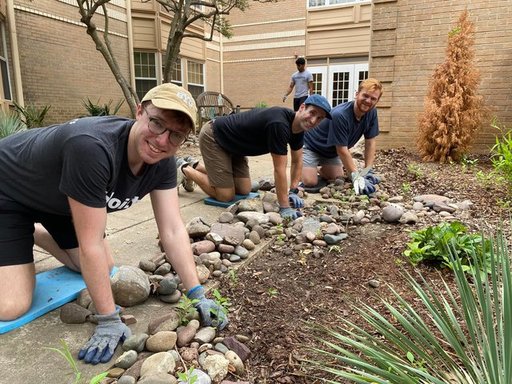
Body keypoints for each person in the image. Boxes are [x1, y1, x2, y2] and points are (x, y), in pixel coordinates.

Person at [0, 83, 227, 365]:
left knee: (102, 268)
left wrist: (197, 294)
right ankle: (17, 230)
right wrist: (108, 318)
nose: (162, 140)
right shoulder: (92, 147)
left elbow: (171, 229)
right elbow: (90, 242)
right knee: (11, 305)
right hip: (8, 192)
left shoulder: (163, 163)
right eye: (157, 124)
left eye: (176, 135)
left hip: (58, 201)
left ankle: (31, 232)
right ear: (139, 111)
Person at [178, 94, 332, 220]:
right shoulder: (279, 124)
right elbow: (279, 170)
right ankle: (184, 168)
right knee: (225, 195)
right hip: (215, 136)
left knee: (244, 189)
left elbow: (298, 161)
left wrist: (293, 189)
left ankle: (195, 165)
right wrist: (284, 206)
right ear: (302, 107)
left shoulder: (298, 128)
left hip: (236, 146)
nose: (313, 121)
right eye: (312, 113)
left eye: (320, 118)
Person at [301, 78, 383, 195]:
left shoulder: (372, 113)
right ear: (357, 94)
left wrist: (367, 170)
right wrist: (356, 176)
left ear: (377, 101)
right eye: (365, 95)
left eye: (373, 98)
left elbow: (370, 142)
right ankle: (301, 167)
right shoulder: (340, 115)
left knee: (338, 178)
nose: (368, 101)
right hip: (311, 145)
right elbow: (342, 150)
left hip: (330, 151)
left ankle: (317, 168)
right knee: (310, 181)